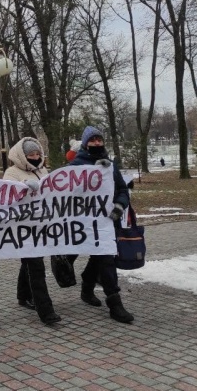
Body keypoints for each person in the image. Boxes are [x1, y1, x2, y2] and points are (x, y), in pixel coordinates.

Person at [68, 126, 134, 324]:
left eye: (99, 139)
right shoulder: (76, 165)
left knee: (104, 258)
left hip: (107, 221)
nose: (97, 143)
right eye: (93, 140)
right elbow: (67, 194)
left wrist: (119, 206)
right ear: (85, 143)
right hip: (86, 223)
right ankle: (109, 299)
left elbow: (122, 190)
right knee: (103, 259)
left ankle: (104, 297)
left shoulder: (110, 165)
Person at [3, 137, 61, 325]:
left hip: (42, 225)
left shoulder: (42, 170)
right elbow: (6, 196)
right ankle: (45, 309)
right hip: (24, 228)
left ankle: (23, 295)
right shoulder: (12, 172)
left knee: (29, 262)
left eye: (37, 154)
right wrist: (24, 189)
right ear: (22, 156)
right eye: (31, 155)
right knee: (36, 266)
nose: (35, 157)